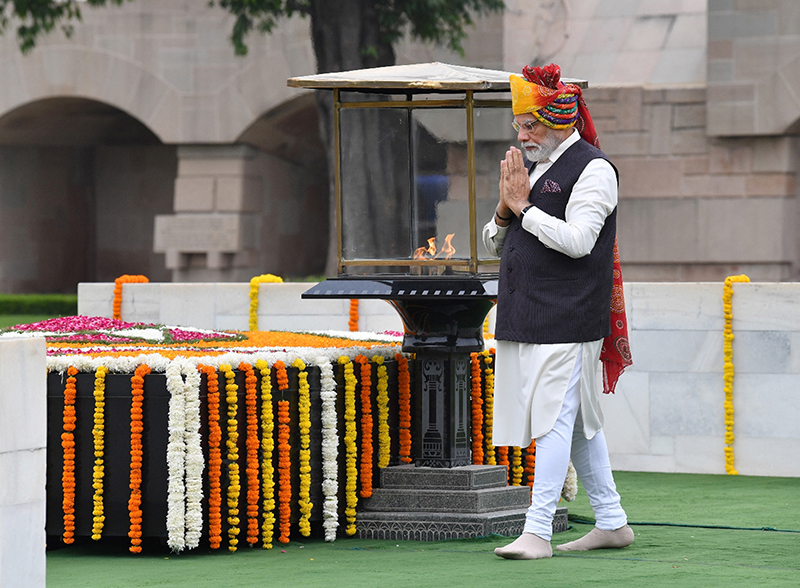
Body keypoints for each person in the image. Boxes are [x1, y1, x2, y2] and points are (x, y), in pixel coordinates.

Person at [484, 64, 633, 560]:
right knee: (575, 425)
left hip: (567, 318)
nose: (523, 134)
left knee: (552, 422)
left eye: (532, 124)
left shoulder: (594, 169)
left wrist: (524, 209)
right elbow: (494, 239)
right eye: (519, 125)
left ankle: (537, 532)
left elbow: (578, 242)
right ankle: (611, 522)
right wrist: (507, 211)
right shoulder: (537, 168)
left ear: (562, 120)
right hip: (528, 317)